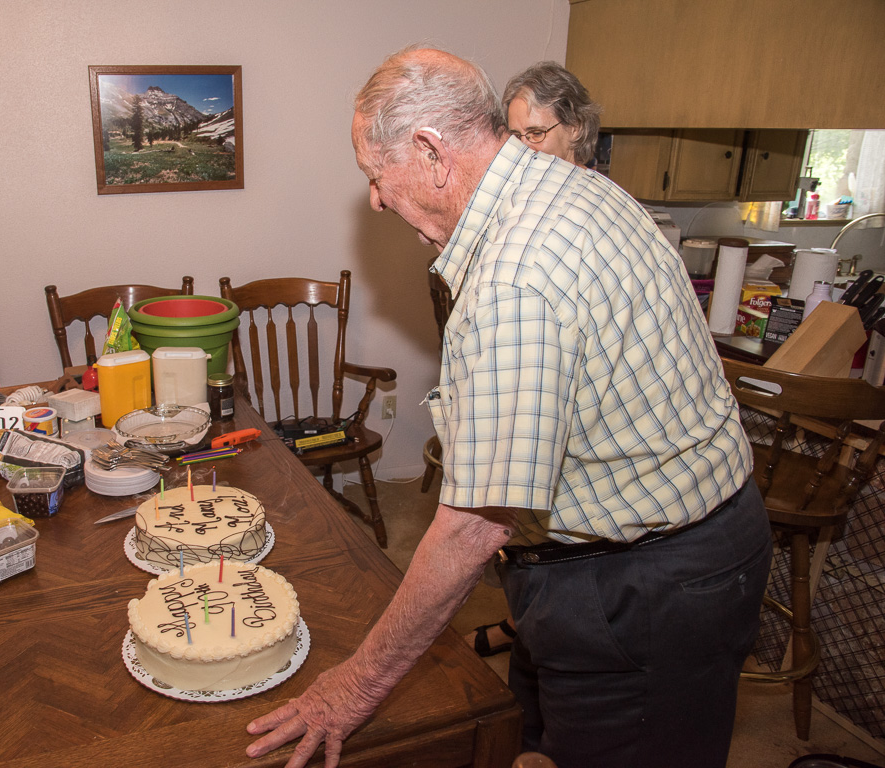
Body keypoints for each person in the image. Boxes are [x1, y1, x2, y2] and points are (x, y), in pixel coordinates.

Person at [245, 46, 772, 768]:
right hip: (671, 545)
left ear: (430, 152)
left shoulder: (513, 284)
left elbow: (469, 531)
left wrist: (352, 688)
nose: (373, 198)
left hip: (643, 587)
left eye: (376, 175)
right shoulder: (570, 184)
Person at [465, 60, 603, 657]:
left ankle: (534, 628)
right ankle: (528, 626)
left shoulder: (593, 211)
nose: (523, 152)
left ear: (576, 128)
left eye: (535, 135)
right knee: (528, 540)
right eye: (513, 138)